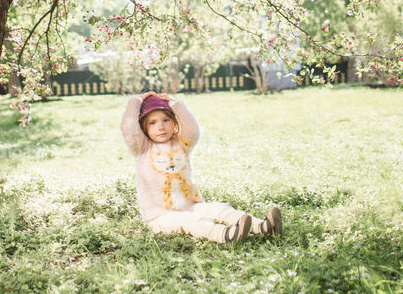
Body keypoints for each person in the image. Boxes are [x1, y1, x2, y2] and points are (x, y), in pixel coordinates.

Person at [121, 91, 282, 243]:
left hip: (191, 206)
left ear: (175, 121)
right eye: (153, 123)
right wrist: (136, 101)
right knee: (190, 222)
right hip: (160, 217)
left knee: (219, 209)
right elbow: (129, 129)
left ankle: (264, 226)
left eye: (166, 120)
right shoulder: (142, 149)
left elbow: (192, 131)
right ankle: (226, 234)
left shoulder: (181, 143)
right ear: (143, 127)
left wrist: (177, 106)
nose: (161, 127)